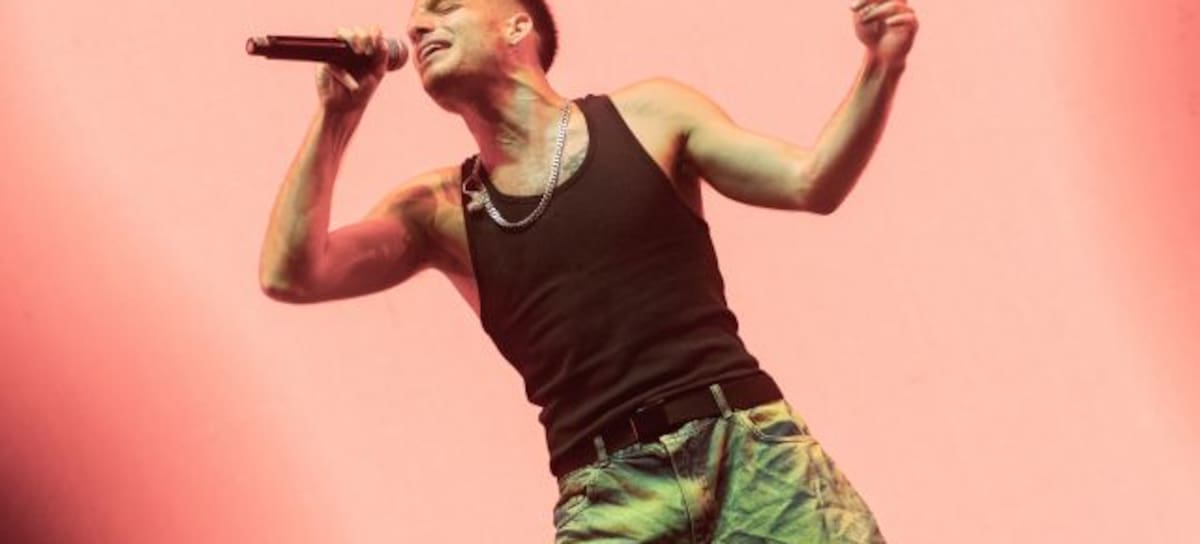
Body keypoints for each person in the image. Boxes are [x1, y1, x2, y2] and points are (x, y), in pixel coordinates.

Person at [259, 0, 917, 541]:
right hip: (610, 495)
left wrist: (881, 64)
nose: (419, 25)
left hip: (751, 453)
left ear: (517, 25)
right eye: (414, 22)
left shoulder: (652, 116)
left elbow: (810, 181)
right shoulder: (438, 210)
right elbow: (293, 274)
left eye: (445, 6)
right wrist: (337, 116)